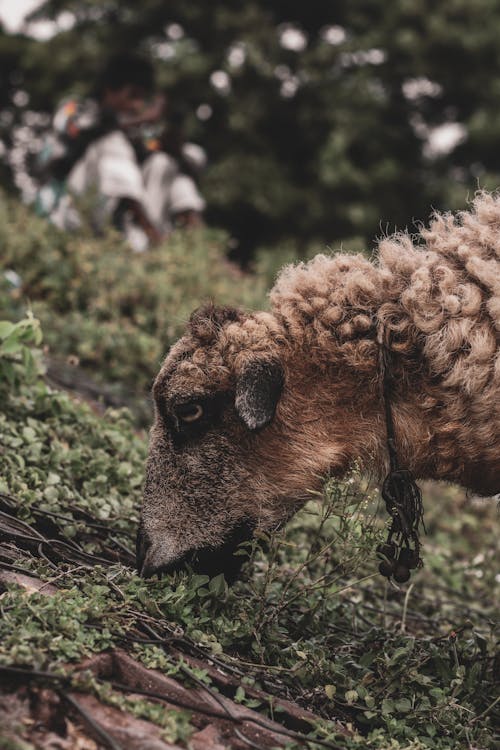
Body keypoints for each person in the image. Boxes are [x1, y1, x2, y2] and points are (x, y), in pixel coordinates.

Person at [35, 53, 162, 247]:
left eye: (142, 99)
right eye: (132, 95)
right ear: (110, 89)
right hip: (58, 210)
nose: (136, 105)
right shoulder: (75, 109)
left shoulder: (131, 135)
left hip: (93, 218)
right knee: (113, 143)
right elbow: (82, 130)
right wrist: (141, 120)